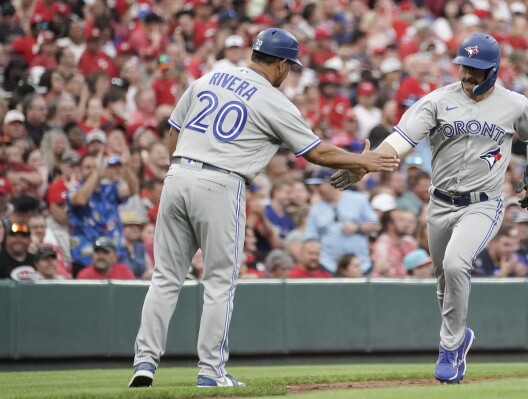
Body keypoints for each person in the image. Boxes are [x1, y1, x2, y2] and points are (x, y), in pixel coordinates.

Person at [129, 28, 398, 389]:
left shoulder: (210, 77)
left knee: (165, 277)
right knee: (219, 282)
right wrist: (360, 161)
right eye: (290, 67)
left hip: (178, 174)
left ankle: (144, 363)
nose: (289, 73)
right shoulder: (272, 100)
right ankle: (211, 371)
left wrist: (186, 166)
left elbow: (173, 132)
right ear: (282, 64)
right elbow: (315, 151)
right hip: (221, 182)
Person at [331, 33, 528, 383]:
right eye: (463, 66)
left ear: (492, 70)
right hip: (440, 202)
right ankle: (458, 338)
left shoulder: (515, 104)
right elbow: (400, 141)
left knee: (456, 263)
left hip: (483, 202)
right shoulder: (436, 101)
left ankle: (451, 346)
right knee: (444, 280)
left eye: (475, 69)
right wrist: (365, 163)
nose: (466, 74)